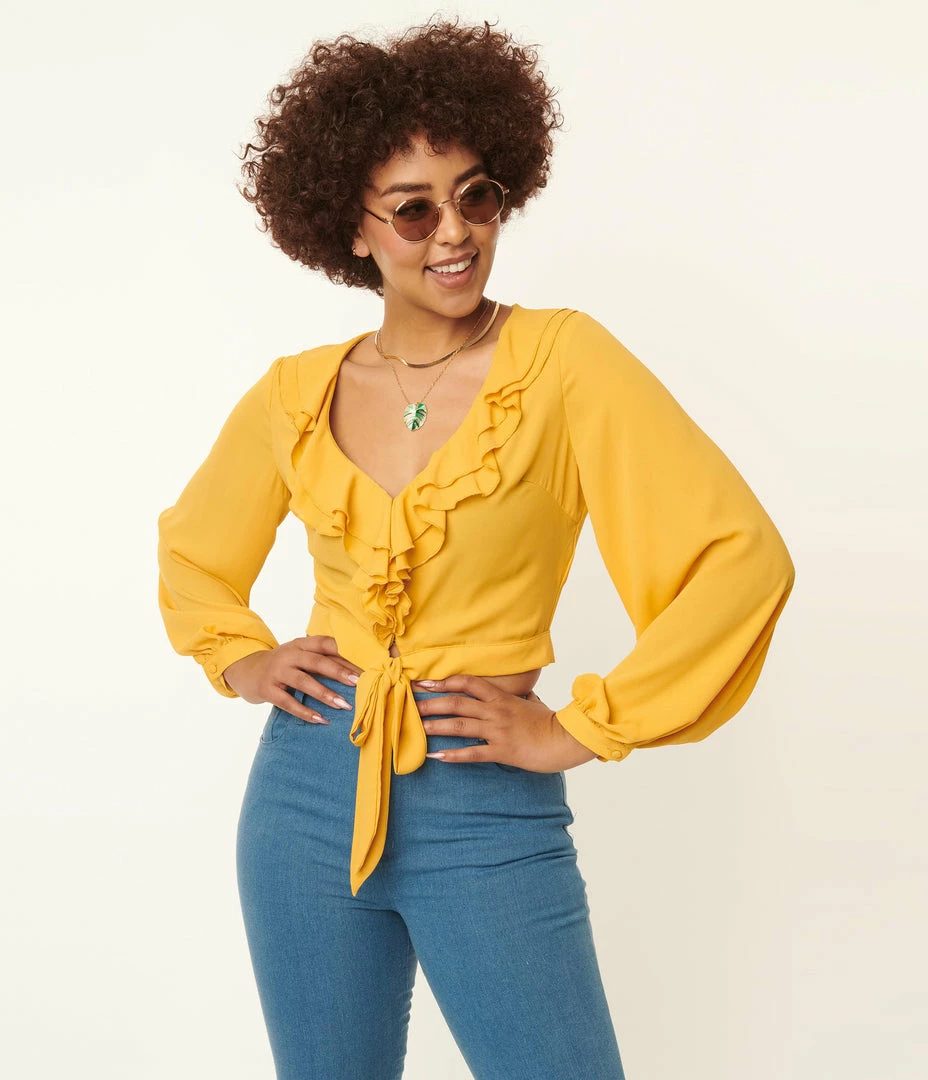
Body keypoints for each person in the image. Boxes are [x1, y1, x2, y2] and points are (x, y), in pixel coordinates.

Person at [156, 18, 795, 1080]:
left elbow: (742, 558)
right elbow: (193, 552)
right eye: (413, 209)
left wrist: (580, 727)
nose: (453, 233)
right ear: (352, 227)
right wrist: (243, 658)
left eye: (477, 197)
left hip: (482, 798)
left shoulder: (563, 361)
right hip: (304, 796)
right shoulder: (293, 393)